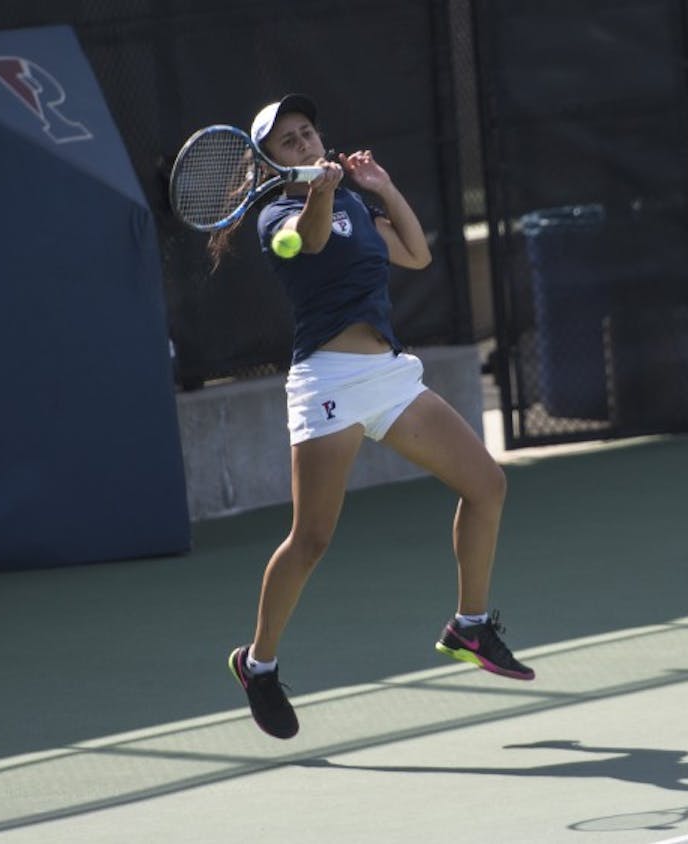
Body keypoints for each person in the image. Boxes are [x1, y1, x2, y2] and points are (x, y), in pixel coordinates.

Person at [216, 94, 534, 740]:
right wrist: (322, 193)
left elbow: (416, 255)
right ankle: (259, 663)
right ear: (270, 161)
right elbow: (307, 242)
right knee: (311, 540)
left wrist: (383, 189)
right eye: (289, 142)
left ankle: (468, 626)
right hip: (327, 382)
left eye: (309, 132)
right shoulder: (276, 213)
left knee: (488, 486)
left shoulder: (355, 202)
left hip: (388, 375)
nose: (305, 145)